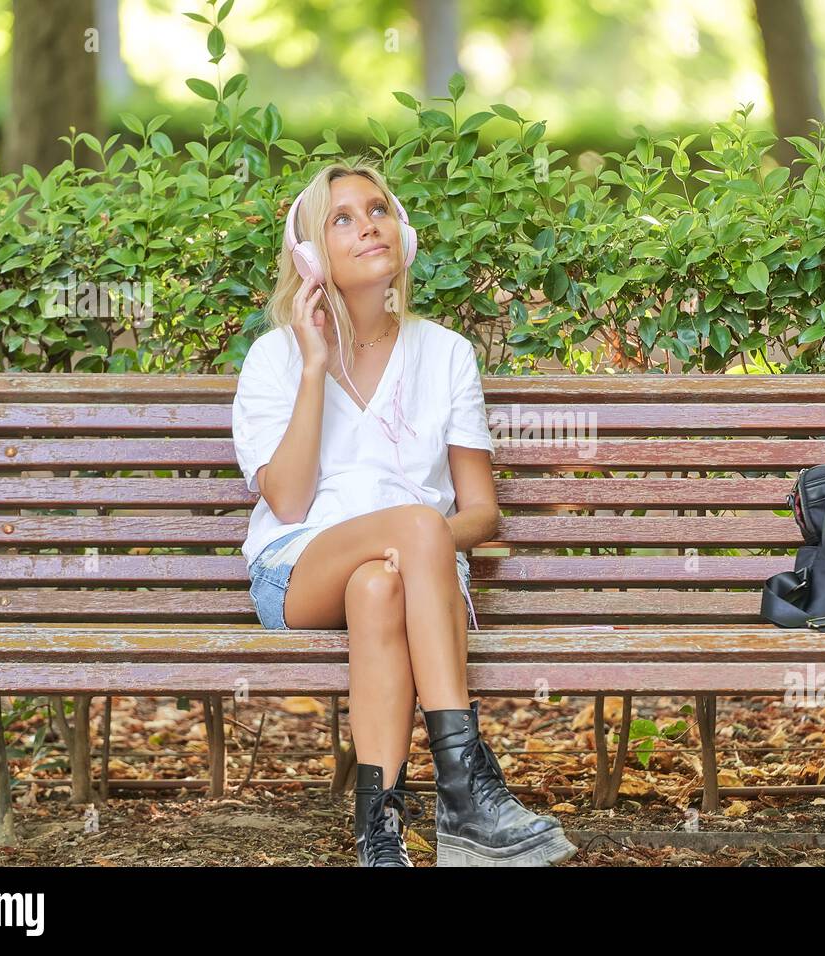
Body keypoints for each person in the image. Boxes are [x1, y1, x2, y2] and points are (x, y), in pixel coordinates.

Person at [230, 159, 577, 868]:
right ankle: (466, 792)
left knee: (381, 584)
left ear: (404, 233)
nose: (369, 227)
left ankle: (378, 835)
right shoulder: (274, 360)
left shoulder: (446, 354)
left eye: (378, 209)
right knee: (415, 524)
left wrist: (409, 556)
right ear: (309, 256)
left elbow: (481, 514)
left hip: (410, 582)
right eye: (343, 218)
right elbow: (288, 501)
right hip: (296, 569)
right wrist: (314, 367)